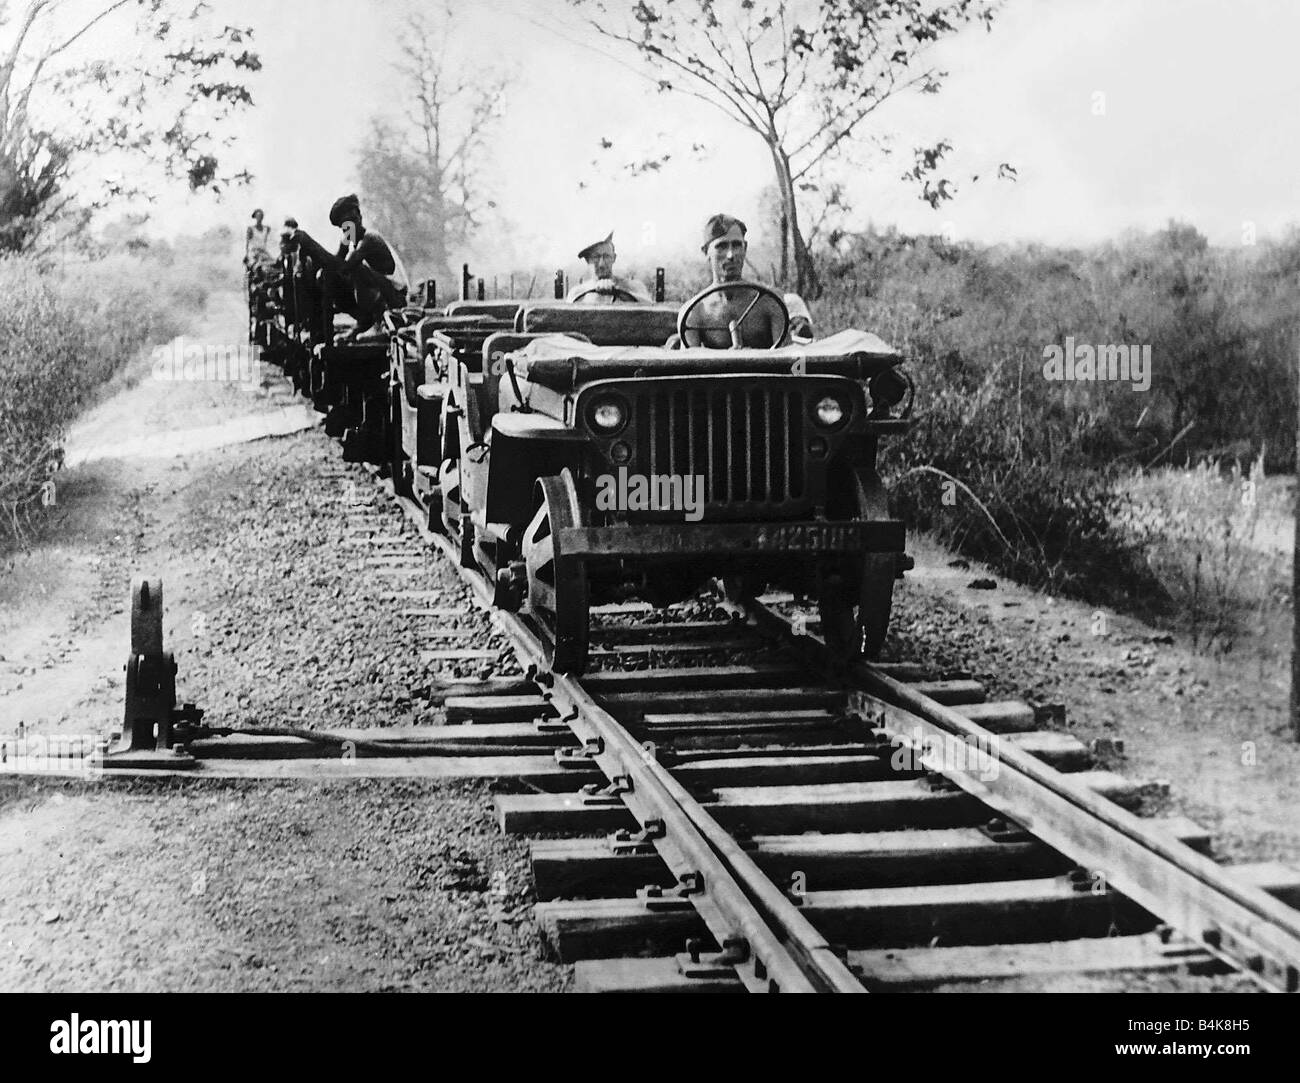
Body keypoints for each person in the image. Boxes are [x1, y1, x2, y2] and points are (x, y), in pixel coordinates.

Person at [285, 194, 409, 341]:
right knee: (325, 276)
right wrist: (311, 252)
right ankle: (364, 322)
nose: (347, 230)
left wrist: (310, 242)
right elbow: (332, 264)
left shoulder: (370, 239)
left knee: (356, 269)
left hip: (395, 302)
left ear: (359, 217)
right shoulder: (349, 236)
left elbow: (345, 267)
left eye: (350, 224)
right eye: (343, 227)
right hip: (381, 295)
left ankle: (381, 323)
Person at [681, 214, 790, 348]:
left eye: (737, 245)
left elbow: (787, 359)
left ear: (745, 248)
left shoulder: (770, 301)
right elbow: (689, 366)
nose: (731, 255)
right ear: (706, 252)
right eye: (721, 246)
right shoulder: (695, 311)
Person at [564, 231, 649, 304]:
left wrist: (618, 291)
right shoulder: (577, 293)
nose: (601, 264)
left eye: (606, 257)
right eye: (596, 257)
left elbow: (651, 311)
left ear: (614, 258)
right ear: (587, 260)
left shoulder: (634, 287)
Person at [244, 209, 276, 278]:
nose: (259, 218)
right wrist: (247, 255)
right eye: (258, 216)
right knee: (255, 266)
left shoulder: (266, 228)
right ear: (255, 217)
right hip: (254, 252)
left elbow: (270, 240)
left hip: (263, 251)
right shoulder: (251, 229)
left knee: (273, 264)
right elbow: (247, 243)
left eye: (261, 216)